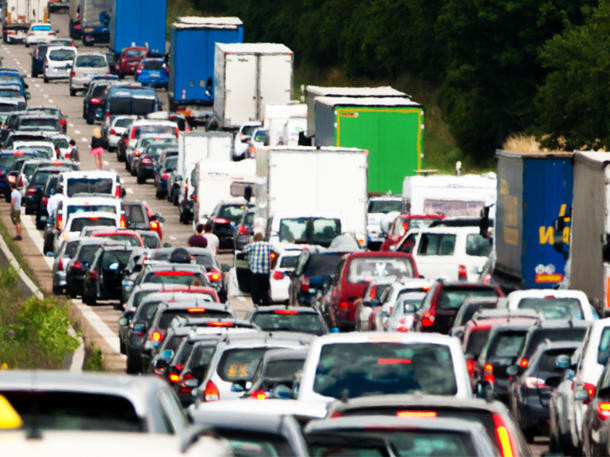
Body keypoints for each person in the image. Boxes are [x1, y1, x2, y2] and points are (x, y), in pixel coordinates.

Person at [243, 232, 275, 306]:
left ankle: (256, 303)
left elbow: (244, 250)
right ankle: (265, 304)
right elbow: (277, 252)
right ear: (262, 238)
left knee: (255, 290)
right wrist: (271, 259)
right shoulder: (269, 245)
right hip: (265, 272)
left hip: (255, 272)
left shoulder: (252, 245)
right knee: (265, 289)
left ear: (255, 239)